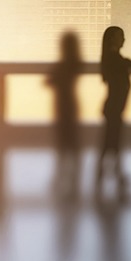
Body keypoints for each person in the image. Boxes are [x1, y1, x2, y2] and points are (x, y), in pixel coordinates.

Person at [95, 25, 131, 194]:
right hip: (114, 108)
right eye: (121, 36)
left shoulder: (111, 57)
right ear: (113, 39)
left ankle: (105, 174)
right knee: (112, 141)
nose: (124, 39)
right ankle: (112, 174)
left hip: (113, 107)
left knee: (111, 141)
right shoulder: (114, 58)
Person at [46, 31, 83, 198]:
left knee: (63, 140)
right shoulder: (75, 63)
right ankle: (74, 177)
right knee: (72, 140)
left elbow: (49, 81)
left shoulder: (62, 65)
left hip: (61, 105)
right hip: (72, 104)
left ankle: (61, 175)